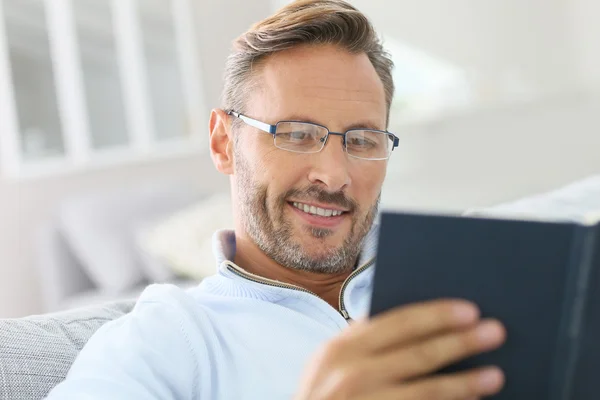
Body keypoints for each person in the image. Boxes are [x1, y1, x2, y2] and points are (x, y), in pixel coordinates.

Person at [46, 1, 506, 398]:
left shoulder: (463, 283)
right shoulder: (166, 338)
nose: (333, 175)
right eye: (297, 135)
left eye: (363, 140)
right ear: (224, 143)